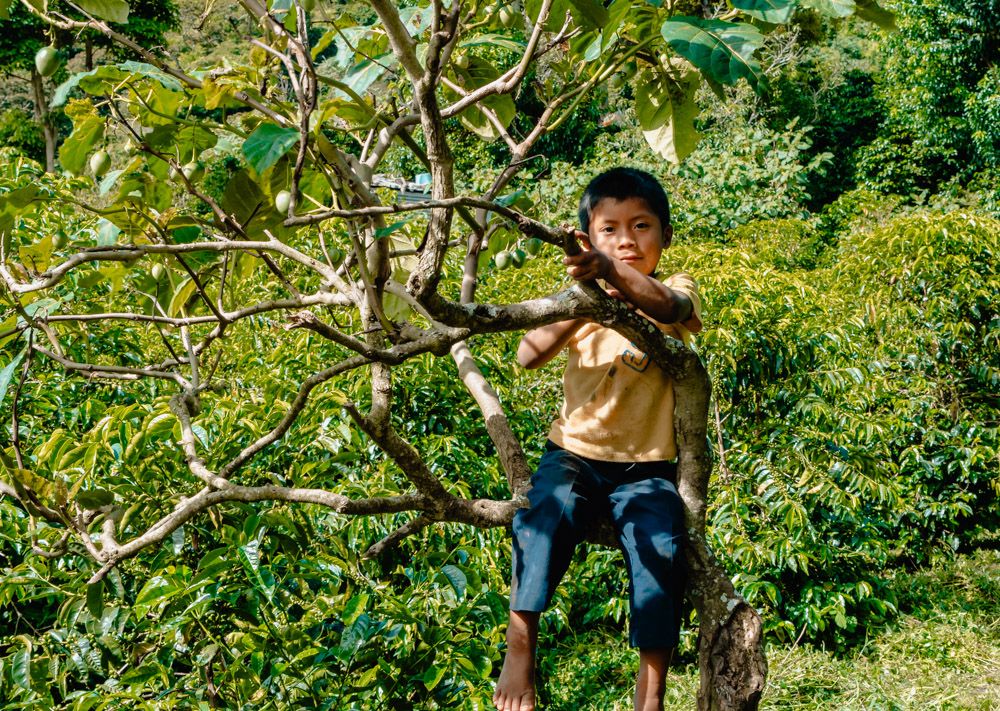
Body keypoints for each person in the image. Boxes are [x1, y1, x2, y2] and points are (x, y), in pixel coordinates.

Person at [493, 167, 703, 711]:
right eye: (609, 229)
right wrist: (583, 297)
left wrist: (611, 272)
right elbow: (527, 354)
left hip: (648, 468)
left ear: (665, 236)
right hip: (574, 456)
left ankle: (650, 695)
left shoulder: (676, 288)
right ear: (586, 239)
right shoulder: (579, 300)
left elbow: (669, 310)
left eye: (641, 226)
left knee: (663, 552)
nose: (627, 240)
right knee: (539, 519)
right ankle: (520, 650)